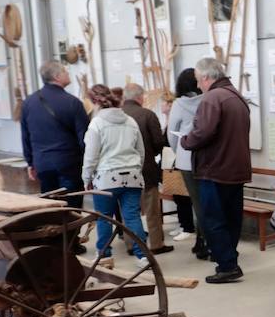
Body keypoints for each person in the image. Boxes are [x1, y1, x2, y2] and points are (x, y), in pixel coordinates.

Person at [181, 56, 252, 284]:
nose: (197, 85)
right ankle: (229, 257)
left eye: (198, 81)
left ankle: (227, 265)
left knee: (213, 219)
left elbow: (203, 132)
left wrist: (185, 141)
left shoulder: (212, 98)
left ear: (205, 77)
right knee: (232, 218)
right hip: (236, 169)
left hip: (215, 170)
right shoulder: (236, 96)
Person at [82, 84, 149, 260]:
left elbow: (91, 156)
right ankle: (142, 256)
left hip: (106, 178)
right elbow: (141, 151)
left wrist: (86, 177)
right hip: (132, 176)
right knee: (133, 217)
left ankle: (104, 255)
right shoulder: (130, 121)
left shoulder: (96, 123)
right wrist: (136, 169)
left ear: (95, 103)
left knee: (104, 218)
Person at [20, 59, 89, 208]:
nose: (68, 73)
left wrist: (30, 163)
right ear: (57, 77)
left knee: (50, 207)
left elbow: (25, 136)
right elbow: (84, 138)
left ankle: (54, 231)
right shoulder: (72, 103)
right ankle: (71, 232)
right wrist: (89, 165)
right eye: (65, 71)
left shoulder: (28, 103)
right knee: (72, 207)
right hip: (69, 163)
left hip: (43, 163)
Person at [120, 83, 172, 255]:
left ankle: (131, 245)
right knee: (152, 211)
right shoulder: (148, 115)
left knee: (129, 210)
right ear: (140, 97)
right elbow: (158, 143)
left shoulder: (117, 116)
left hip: (122, 171)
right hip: (146, 169)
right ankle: (156, 244)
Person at [167, 69, 207, 258]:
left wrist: (178, 152)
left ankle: (203, 241)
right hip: (208, 158)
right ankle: (204, 240)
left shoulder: (179, 104)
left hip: (186, 159)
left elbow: (171, 133)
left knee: (197, 203)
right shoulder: (208, 99)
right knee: (207, 202)